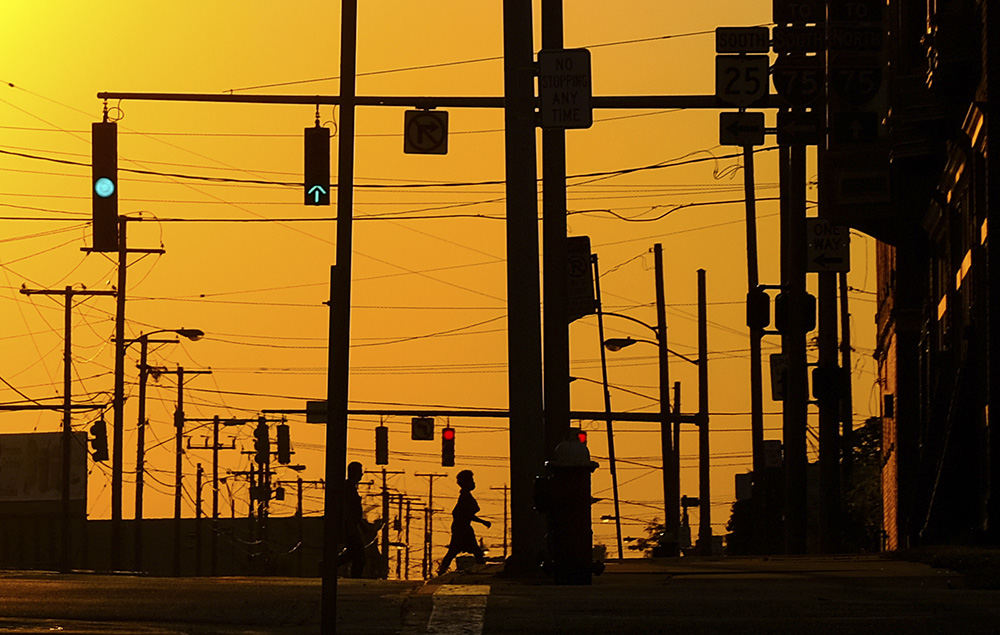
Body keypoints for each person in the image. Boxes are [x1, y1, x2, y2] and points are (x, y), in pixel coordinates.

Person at [438, 469, 491, 575]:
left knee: (464, 551)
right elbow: (466, 514)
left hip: (463, 527)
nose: (473, 483)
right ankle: (483, 570)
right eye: (471, 480)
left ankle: (442, 570)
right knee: (469, 551)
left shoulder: (465, 496)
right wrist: (483, 521)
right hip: (462, 528)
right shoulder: (464, 497)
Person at [338, 461, 374, 577]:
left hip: (352, 526)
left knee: (353, 554)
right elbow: (349, 510)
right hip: (349, 527)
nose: (361, 475)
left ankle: (328, 566)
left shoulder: (350, 487)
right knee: (359, 555)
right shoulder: (348, 488)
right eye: (360, 472)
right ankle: (328, 566)